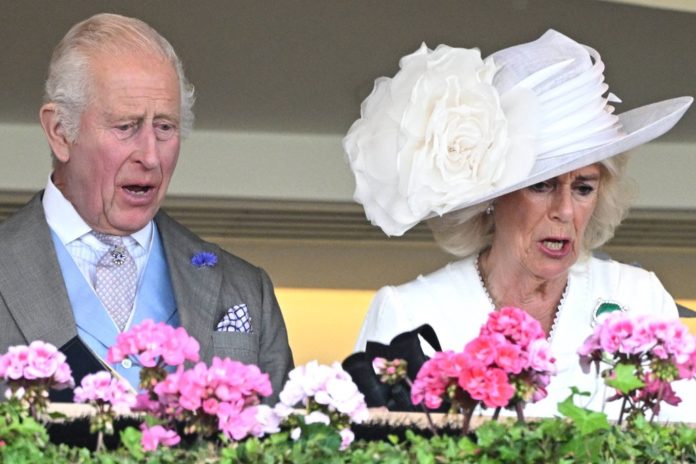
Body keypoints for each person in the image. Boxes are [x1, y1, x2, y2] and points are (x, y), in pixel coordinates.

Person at [344, 30, 693, 419]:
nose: (564, 210)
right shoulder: (412, 312)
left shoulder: (638, 299)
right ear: (492, 197)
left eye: (583, 187)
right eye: (541, 186)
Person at [0, 13, 292, 401]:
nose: (151, 156)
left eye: (165, 128)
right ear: (60, 132)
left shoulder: (244, 288)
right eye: (126, 127)